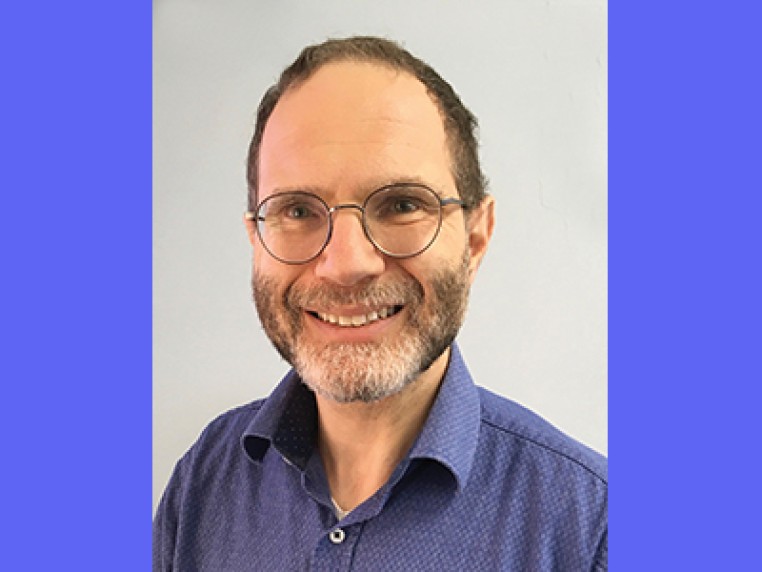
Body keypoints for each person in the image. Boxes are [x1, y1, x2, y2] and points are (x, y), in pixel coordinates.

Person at [153, 36, 607, 571]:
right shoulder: (206, 479)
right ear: (256, 238)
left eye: (402, 204)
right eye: (297, 211)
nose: (346, 264)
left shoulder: (591, 529)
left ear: (476, 236)